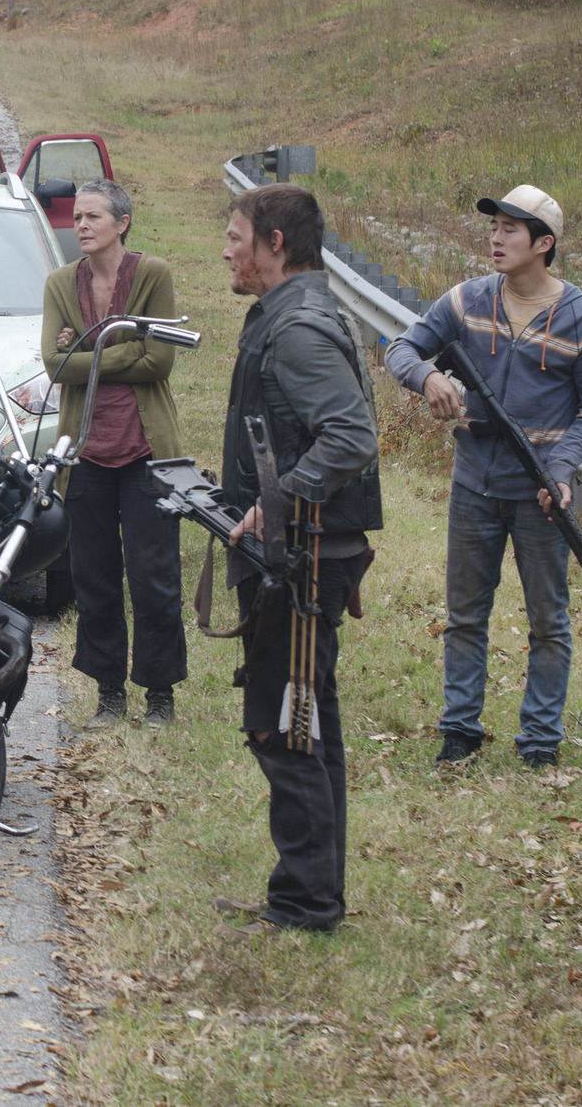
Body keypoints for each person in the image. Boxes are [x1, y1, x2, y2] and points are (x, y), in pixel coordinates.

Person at [384, 187, 582, 771]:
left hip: (542, 494)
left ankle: (539, 742)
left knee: (548, 621)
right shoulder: (465, 300)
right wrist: (425, 378)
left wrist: (559, 470)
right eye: (495, 226)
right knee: (465, 614)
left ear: (544, 244)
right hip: (473, 485)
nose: (496, 237)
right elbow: (402, 349)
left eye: (512, 229)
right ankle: (459, 731)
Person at [219, 183, 382, 936]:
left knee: (284, 727)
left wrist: (280, 501)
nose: (226, 249)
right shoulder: (290, 315)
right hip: (299, 554)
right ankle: (310, 890)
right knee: (308, 725)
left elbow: (348, 437)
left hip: (304, 560)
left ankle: (306, 902)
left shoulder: (299, 329)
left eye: (235, 235)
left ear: (274, 243)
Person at [40, 180, 189, 729]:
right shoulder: (60, 282)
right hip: (86, 452)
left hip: (146, 450)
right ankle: (108, 693)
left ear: (122, 222)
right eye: (77, 216)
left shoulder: (153, 275)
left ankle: (160, 696)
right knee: (94, 577)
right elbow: (54, 366)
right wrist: (126, 346)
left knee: (154, 577)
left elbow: (159, 362)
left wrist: (86, 347)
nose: (80, 225)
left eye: (93, 216)